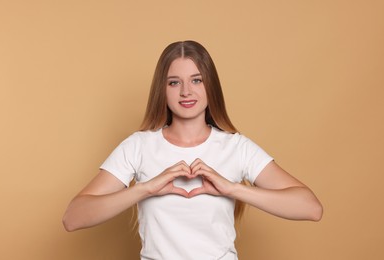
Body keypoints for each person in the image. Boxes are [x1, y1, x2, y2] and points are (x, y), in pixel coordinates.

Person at [62, 40, 323, 260]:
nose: (186, 91)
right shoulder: (138, 146)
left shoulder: (236, 147)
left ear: (210, 86)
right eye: (174, 82)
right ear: (161, 90)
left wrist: (232, 188)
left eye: (196, 80)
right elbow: (73, 218)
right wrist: (145, 188)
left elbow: (310, 208)